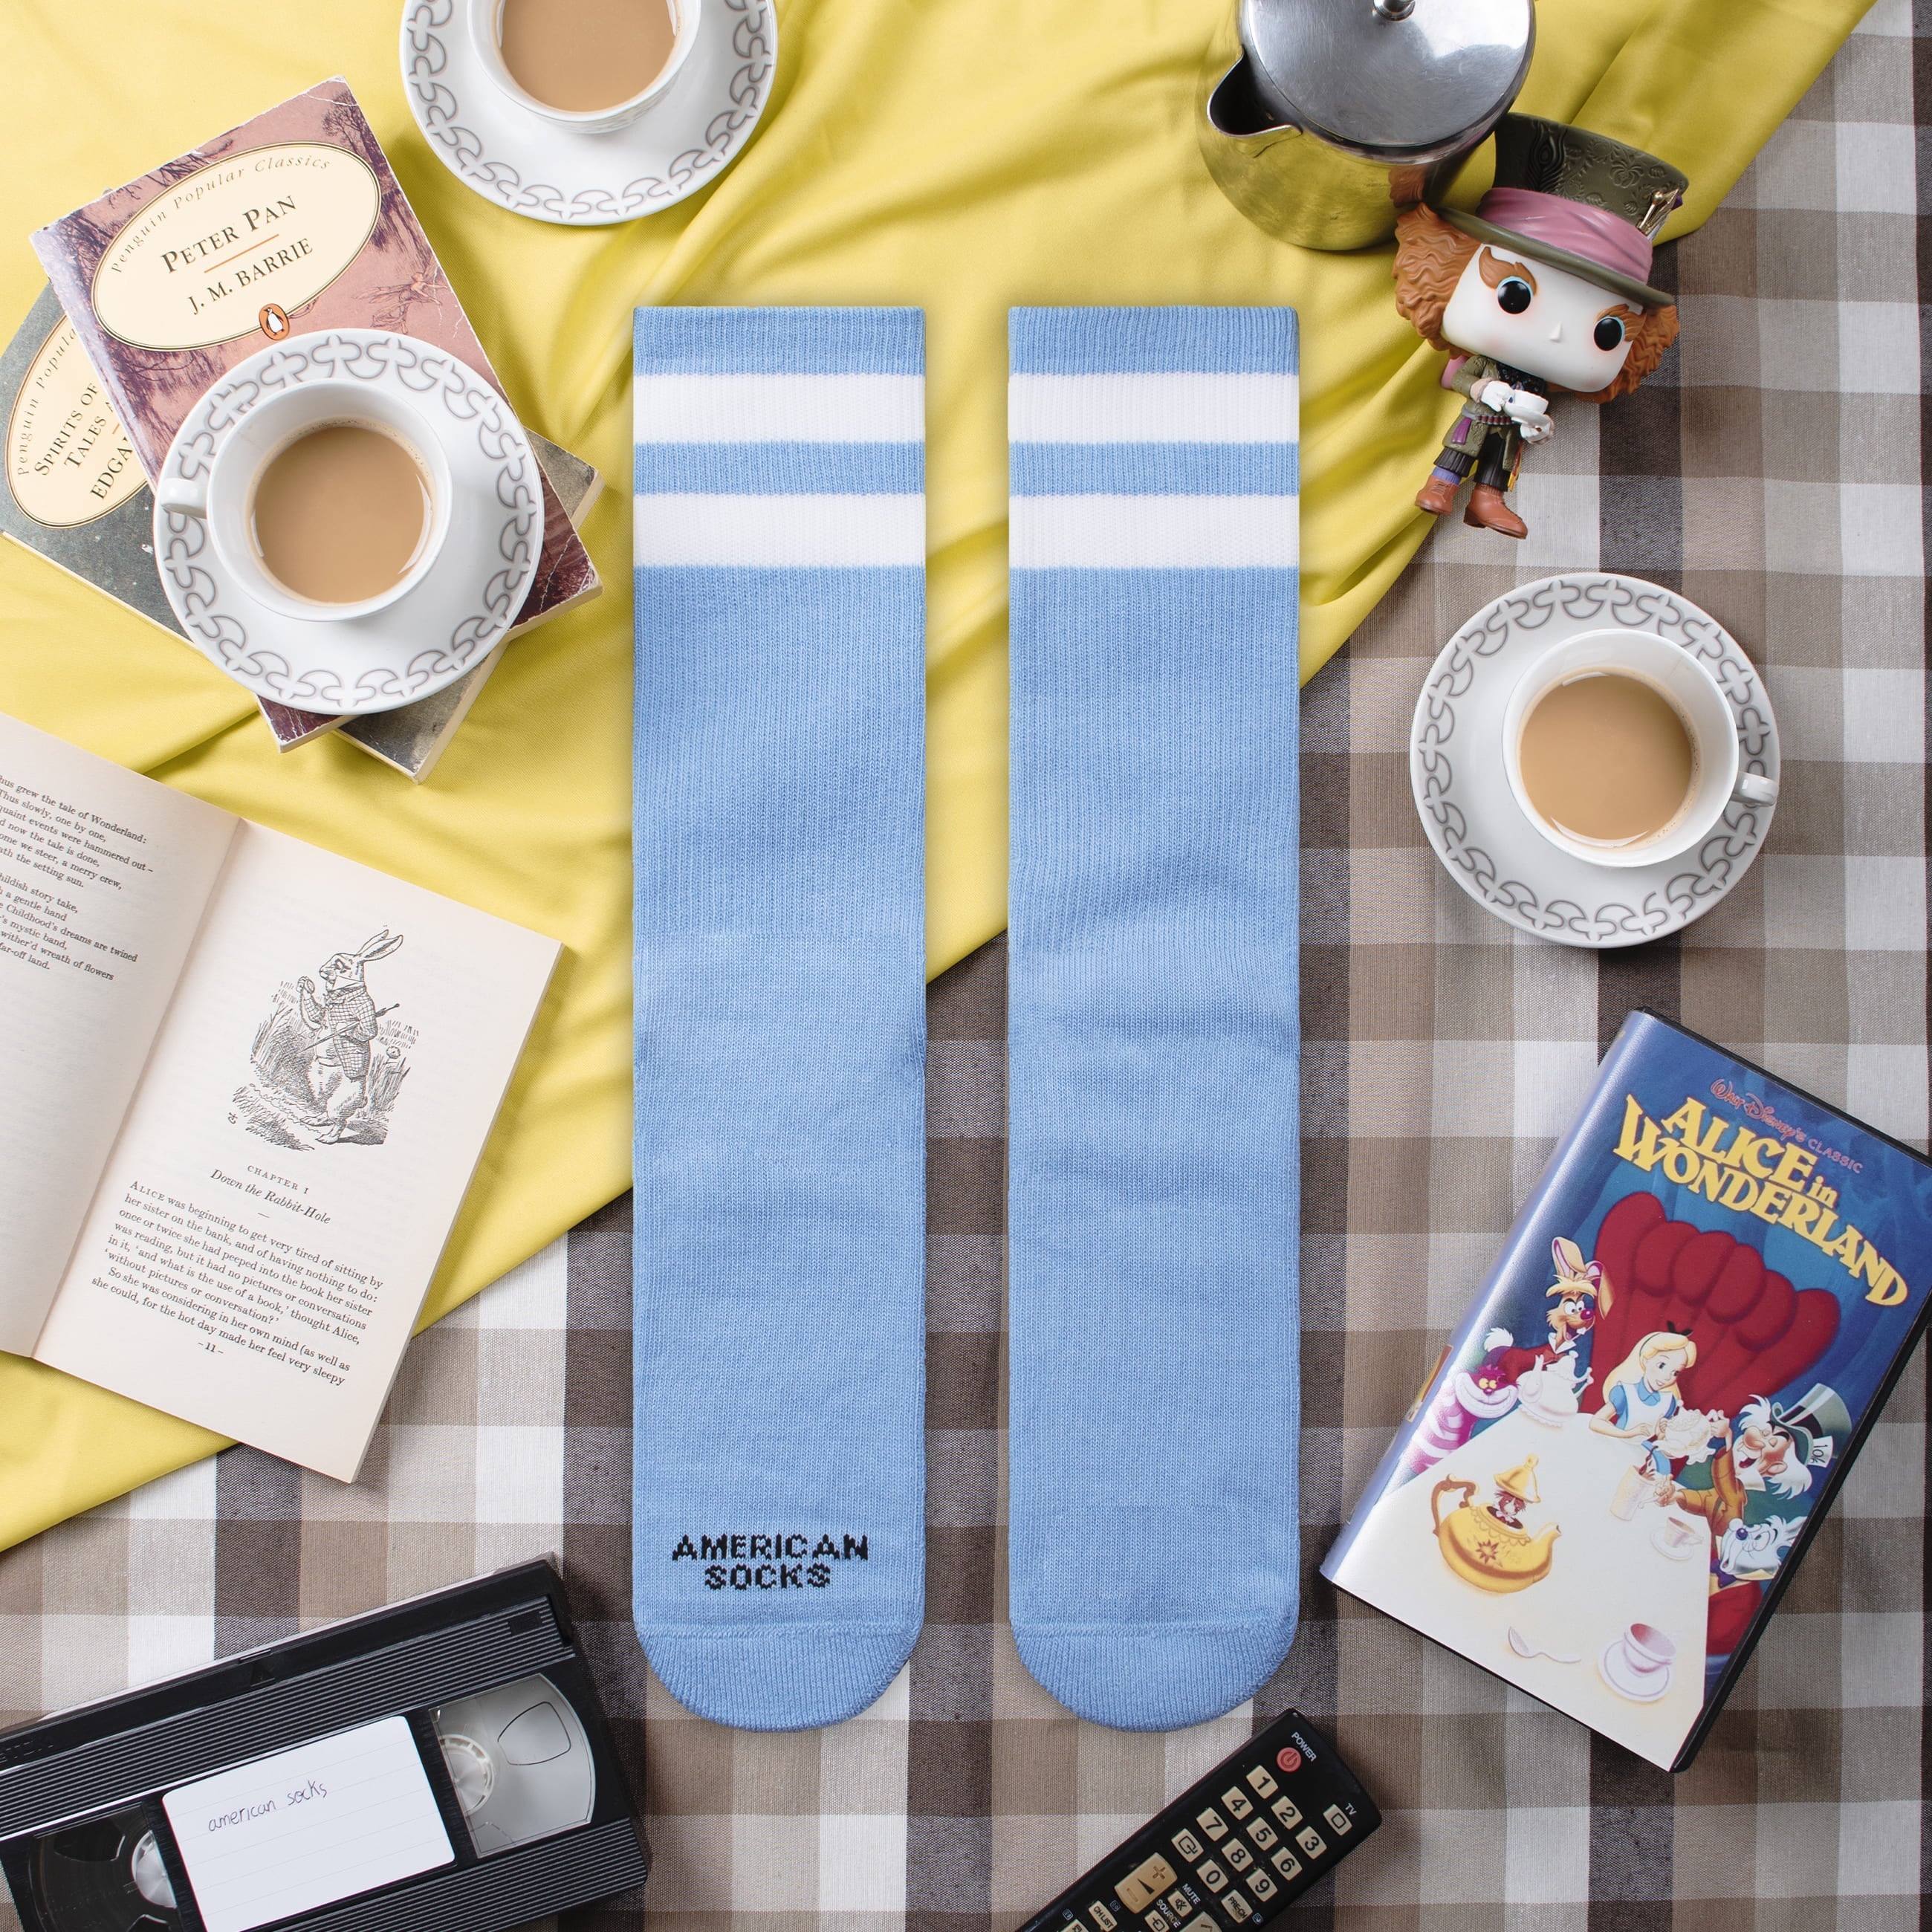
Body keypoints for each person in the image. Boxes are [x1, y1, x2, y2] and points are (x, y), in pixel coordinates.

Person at [1393, 115, 1684, 539]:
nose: (1555, 334)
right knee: (1459, 451)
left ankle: (1488, 499)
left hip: (1510, 432)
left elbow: (1540, 408)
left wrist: (1538, 427)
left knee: (1499, 464)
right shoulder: (1483, 361)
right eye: (1515, 295)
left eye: (1606, 332)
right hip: (1476, 417)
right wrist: (1482, 388)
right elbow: (1458, 377)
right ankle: (1441, 485)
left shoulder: (1542, 381)